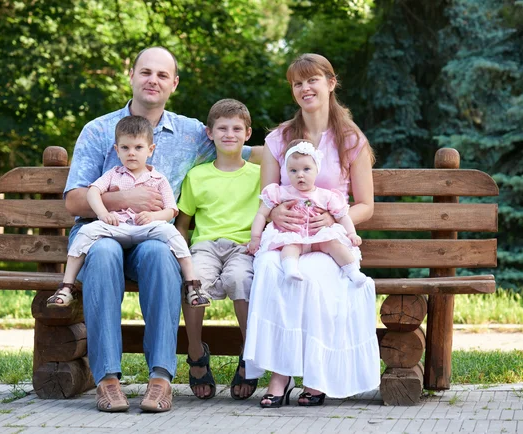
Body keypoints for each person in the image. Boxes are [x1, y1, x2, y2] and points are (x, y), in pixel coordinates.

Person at [64, 46, 262, 413]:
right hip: (100, 232)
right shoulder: (98, 130)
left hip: (153, 236)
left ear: (174, 83)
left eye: (161, 75)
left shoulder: (191, 133)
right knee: (105, 255)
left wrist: (309, 157)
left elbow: (243, 151)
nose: (152, 80)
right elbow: (74, 200)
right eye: (145, 72)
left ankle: (160, 378)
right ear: (132, 76)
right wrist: (126, 197)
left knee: (159, 254)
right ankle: (107, 379)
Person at [243, 53, 381, 408]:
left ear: (331, 83)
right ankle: (280, 372)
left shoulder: (351, 140)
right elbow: (269, 197)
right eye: (297, 83)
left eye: (312, 80)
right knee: (273, 270)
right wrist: (276, 216)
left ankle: (317, 376)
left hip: (329, 241)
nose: (305, 88)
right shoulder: (279, 139)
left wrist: (335, 221)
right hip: (287, 239)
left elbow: (365, 204)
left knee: (317, 277)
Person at [47, 115, 209, 310]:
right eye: (125, 148)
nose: (131, 153)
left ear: (150, 150)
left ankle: (192, 285)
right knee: (85, 234)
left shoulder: (158, 179)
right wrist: (102, 214)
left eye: (138, 148)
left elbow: (171, 210)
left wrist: (153, 216)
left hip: (146, 228)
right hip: (116, 227)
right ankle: (66, 286)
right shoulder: (113, 174)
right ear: (117, 150)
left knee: (174, 236)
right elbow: (93, 192)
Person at [175, 99, 261, 401]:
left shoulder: (259, 175)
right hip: (205, 246)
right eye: (222, 128)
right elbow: (183, 223)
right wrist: (180, 254)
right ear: (209, 133)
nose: (229, 134)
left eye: (237, 128)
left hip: (243, 247)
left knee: (241, 279)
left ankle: (249, 352)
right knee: (194, 281)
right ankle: (196, 351)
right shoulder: (197, 176)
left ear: (248, 134)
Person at [248, 139, 367, 287]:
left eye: (306, 169)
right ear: (286, 172)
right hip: (293, 236)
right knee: (289, 247)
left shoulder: (326, 196)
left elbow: (343, 216)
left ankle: (353, 272)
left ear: (317, 169)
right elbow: (261, 214)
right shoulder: (281, 192)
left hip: (319, 238)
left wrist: (351, 234)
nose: (300, 175)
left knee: (335, 245)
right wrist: (255, 237)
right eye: (293, 170)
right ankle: (290, 270)